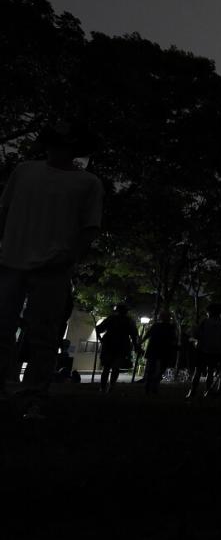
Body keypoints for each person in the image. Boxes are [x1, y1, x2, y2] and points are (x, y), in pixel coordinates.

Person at [0, 120, 103, 419]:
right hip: (11, 259)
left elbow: (89, 227)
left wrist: (69, 256)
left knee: (43, 334)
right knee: (5, 328)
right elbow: (4, 211)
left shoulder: (88, 183)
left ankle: (34, 396)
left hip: (53, 265)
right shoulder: (25, 171)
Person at [95, 304, 140, 393]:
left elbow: (99, 329)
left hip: (114, 345)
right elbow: (134, 335)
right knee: (113, 367)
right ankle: (108, 386)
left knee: (109, 367)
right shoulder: (127, 320)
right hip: (117, 345)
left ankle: (106, 387)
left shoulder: (112, 318)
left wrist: (101, 339)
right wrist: (135, 346)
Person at [188, 304, 221, 399]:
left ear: (210, 312)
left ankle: (192, 391)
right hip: (216, 351)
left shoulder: (205, 322)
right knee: (210, 371)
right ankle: (207, 390)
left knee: (198, 371)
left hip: (203, 349)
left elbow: (197, 334)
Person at [143, 310, 178, 395]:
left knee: (155, 369)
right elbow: (174, 338)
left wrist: (141, 342)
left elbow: (148, 334)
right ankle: (152, 386)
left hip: (158, 350)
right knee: (156, 369)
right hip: (161, 350)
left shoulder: (167, 327)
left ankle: (151, 386)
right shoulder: (169, 327)